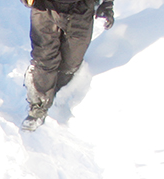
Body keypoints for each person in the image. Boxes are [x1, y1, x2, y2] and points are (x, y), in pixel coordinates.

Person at [21, 0, 115, 131]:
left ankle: (58, 98)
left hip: (81, 9)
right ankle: (38, 107)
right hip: (45, 7)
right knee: (45, 60)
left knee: (70, 64)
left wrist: (106, 5)